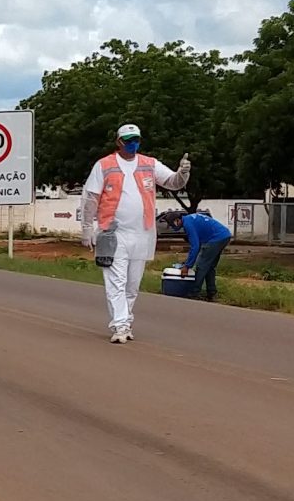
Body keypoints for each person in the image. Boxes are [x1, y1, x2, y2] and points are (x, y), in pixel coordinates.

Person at [79, 123, 191, 344]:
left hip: (143, 233)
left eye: (136, 139)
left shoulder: (149, 164)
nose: (133, 144)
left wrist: (183, 173)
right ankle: (120, 324)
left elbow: (173, 183)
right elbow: (90, 198)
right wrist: (86, 228)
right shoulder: (104, 165)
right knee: (116, 282)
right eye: (129, 140)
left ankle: (126, 321)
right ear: (118, 142)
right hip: (112, 234)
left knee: (132, 284)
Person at [176, 205, 232, 300]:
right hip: (224, 235)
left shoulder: (188, 224)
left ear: (177, 220)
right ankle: (212, 293)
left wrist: (187, 266)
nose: (174, 226)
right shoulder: (190, 218)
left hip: (216, 238)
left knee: (201, 266)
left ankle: (194, 292)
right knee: (209, 267)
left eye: (173, 223)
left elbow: (195, 246)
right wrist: (188, 262)